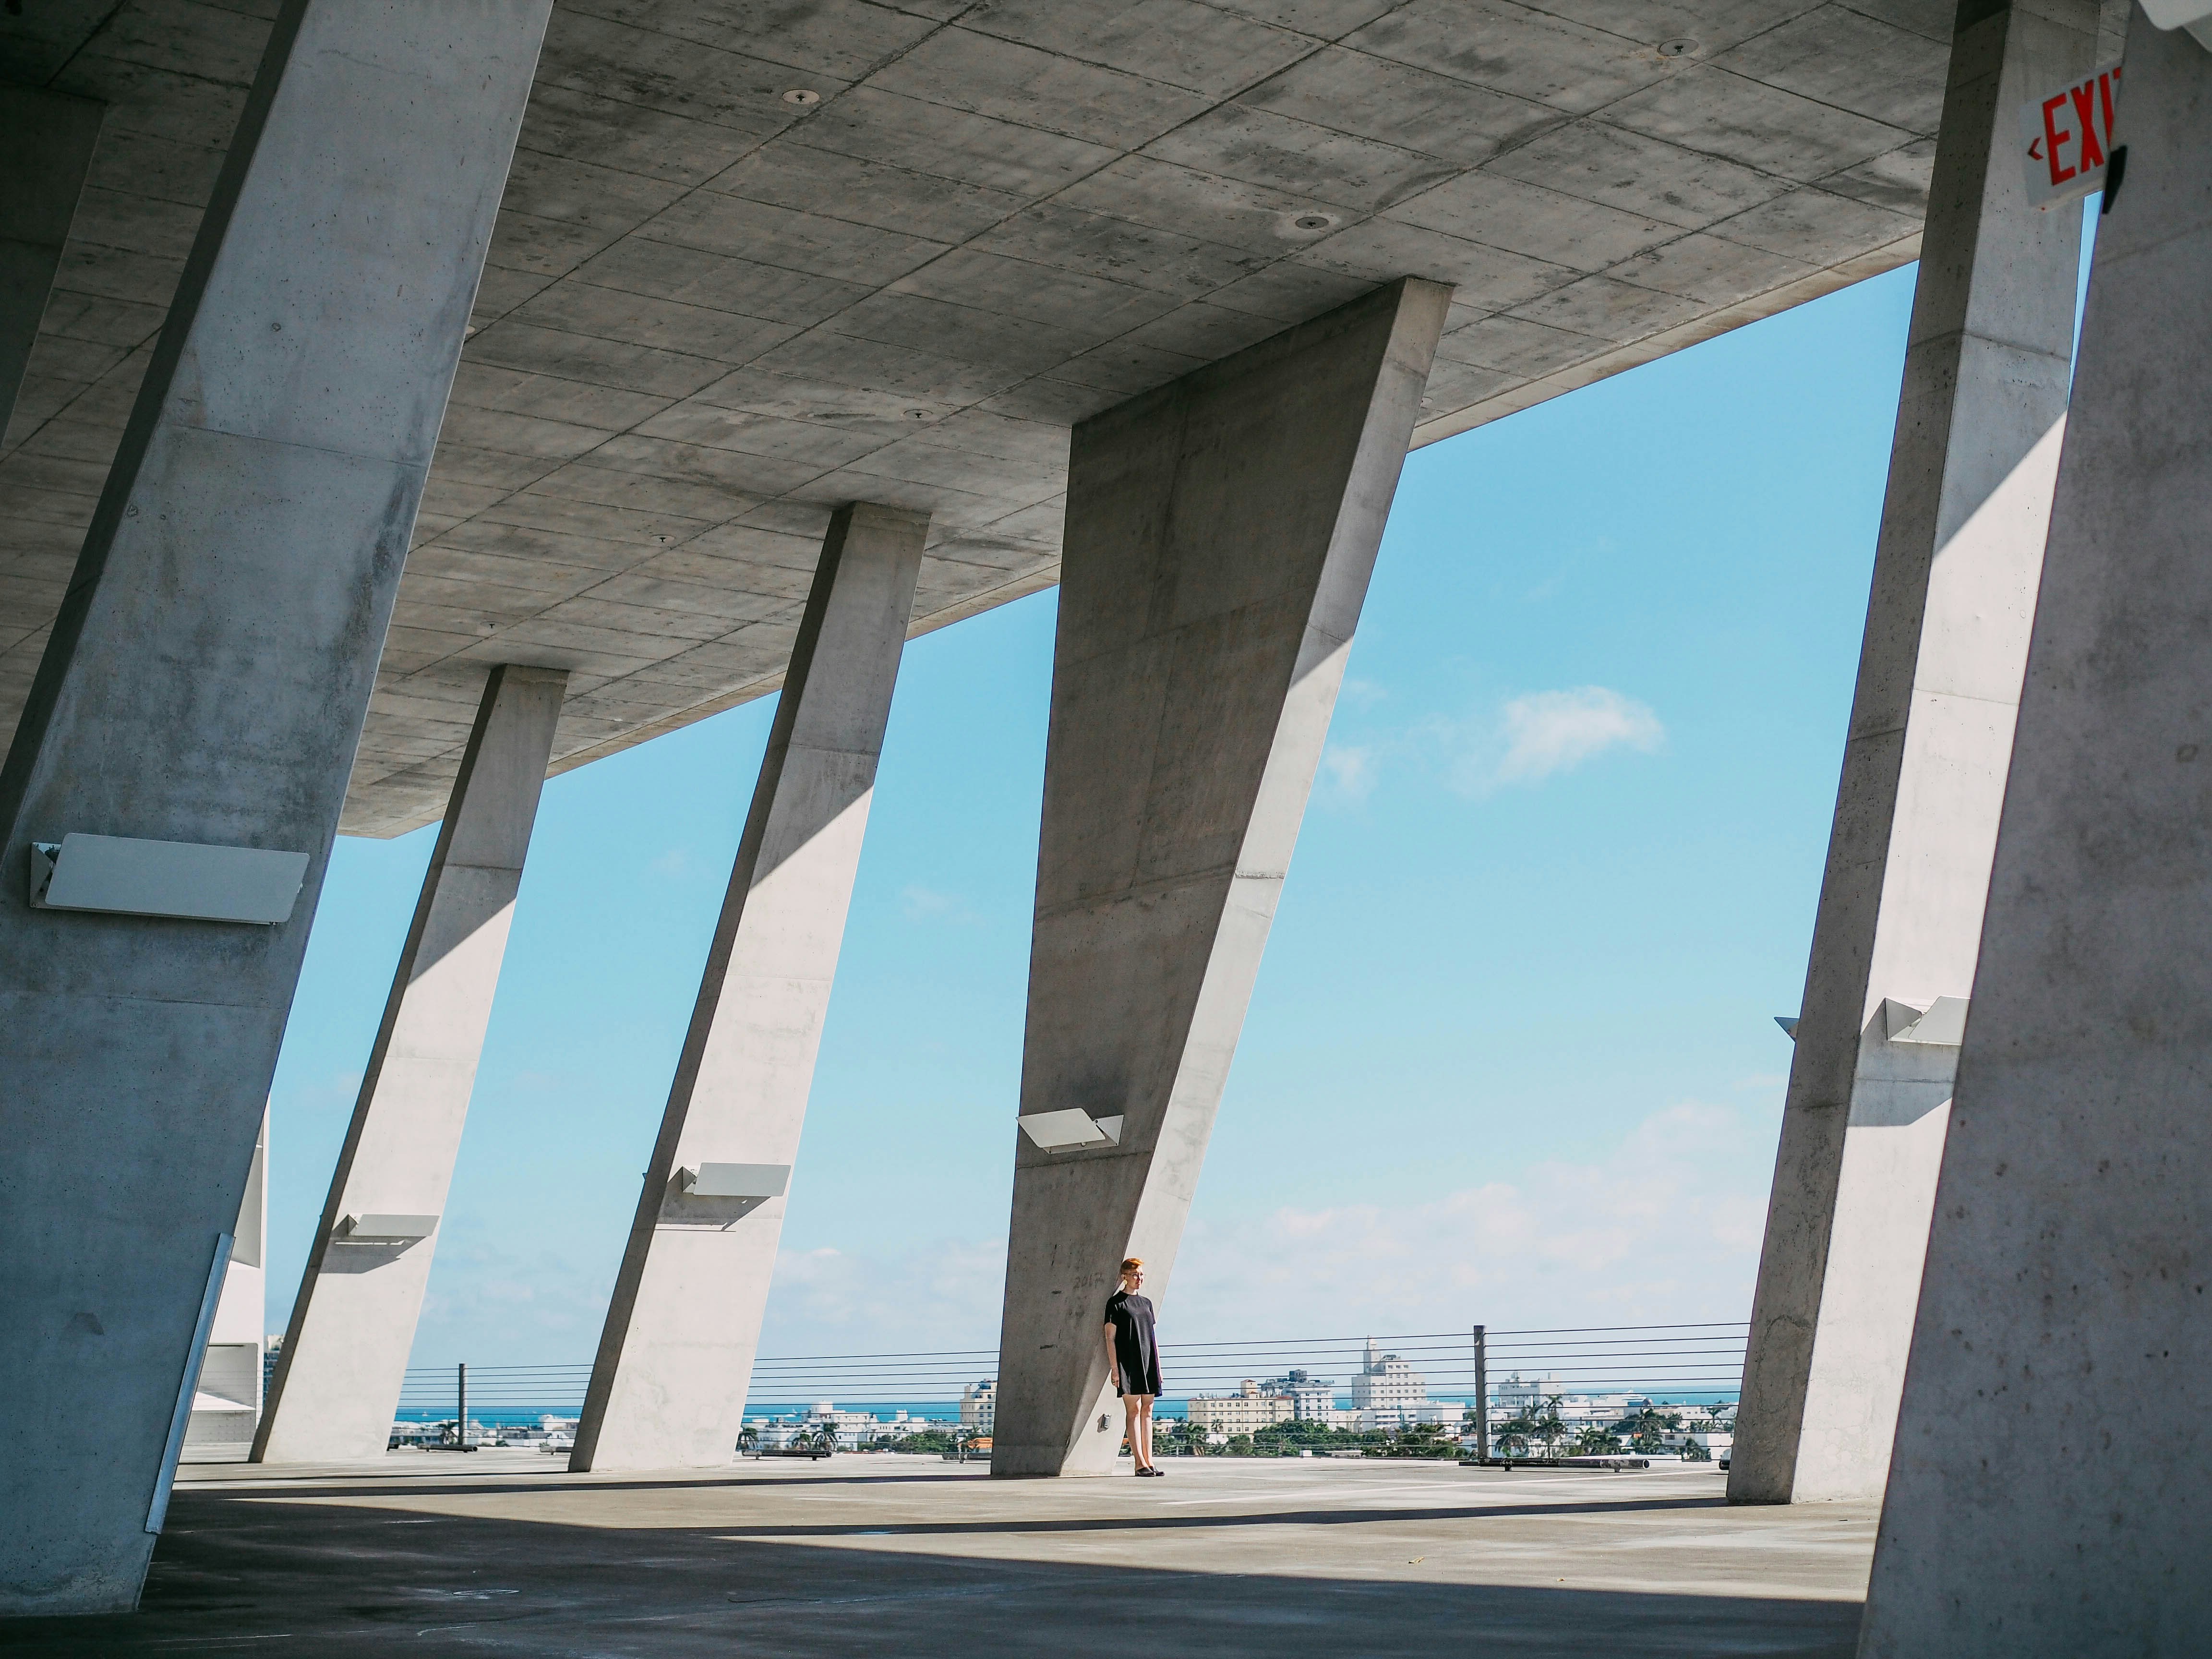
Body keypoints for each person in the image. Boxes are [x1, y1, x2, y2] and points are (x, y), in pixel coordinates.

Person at [1104, 1257, 1164, 1476]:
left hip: (1148, 1361)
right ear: (1124, 1277)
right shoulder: (1116, 1303)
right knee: (1134, 1409)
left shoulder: (1146, 1303)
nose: (1139, 1279)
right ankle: (1139, 1462)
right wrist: (1115, 1368)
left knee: (1148, 1409)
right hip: (1127, 1362)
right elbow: (1110, 1338)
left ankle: (1150, 1460)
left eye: (1141, 1275)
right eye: (1135, 1275)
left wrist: (1159, 1366)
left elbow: (1152, 1337)